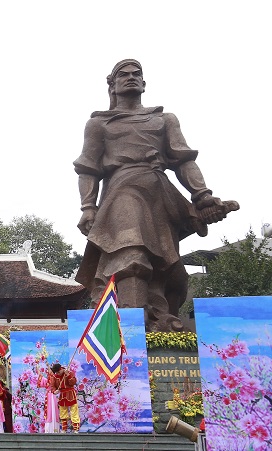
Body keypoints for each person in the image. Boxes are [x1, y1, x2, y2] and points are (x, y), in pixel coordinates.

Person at [74, 59, 239, 332]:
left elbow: (183, 160)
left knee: (171, 271)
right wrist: (88, 207)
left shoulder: (164, 119)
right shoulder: (99, 124)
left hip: (160, 194)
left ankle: (162, 320)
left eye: (136, 74)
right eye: (123, 75)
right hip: (123, 192)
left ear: (144, 83)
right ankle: (131, 328)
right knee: (131, 256)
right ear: (112, 85)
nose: (131, 78)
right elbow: (88, 168)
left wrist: (202, 195)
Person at [49, 363, 79, 433]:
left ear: (61, 369)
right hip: (62, 395)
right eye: (56, 372)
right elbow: (53, 386)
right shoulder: (55, 376)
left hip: (71, 393)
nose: (58, 374)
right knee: (63, 412)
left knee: (74, 411)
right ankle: (64, 429)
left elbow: (73, 382)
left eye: (58, 372)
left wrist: (68, 376)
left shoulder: (69, 373)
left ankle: (76, 429)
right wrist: (54, 391)